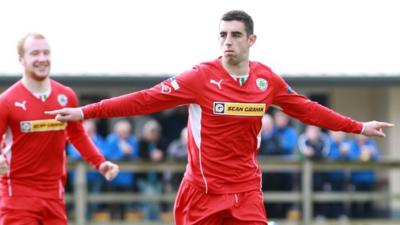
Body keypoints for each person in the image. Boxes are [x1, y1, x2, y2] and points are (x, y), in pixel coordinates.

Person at [47, 10, 394, 225]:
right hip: (202, 192)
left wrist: (358, 127)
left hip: (246, 191)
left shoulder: (266, 80)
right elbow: (144, 100)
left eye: (235, 35)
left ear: (251, 39)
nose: (227, 42)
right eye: (223, 35)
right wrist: (86, 110)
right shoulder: (200, 77)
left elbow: (307, 109)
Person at [0, 33, 119, 225]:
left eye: (46, 53)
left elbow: (76, 135)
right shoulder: (6, 101)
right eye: (35, 53)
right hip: (17, 196)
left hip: (54, 194)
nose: (42, 59)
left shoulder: (66, 95)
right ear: (22, 59)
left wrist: (100, 163)